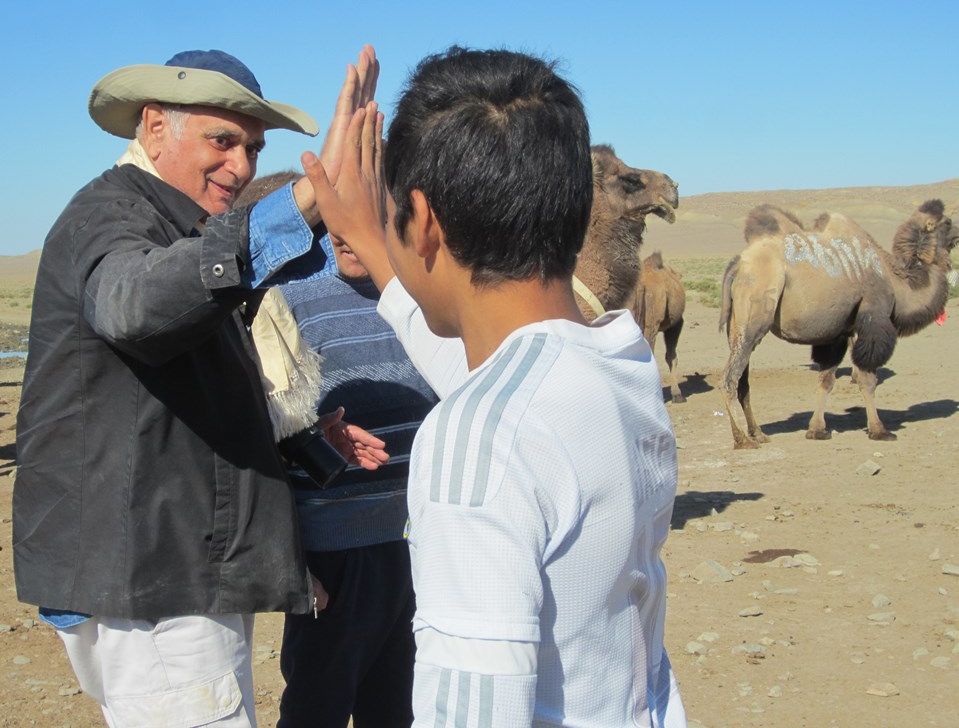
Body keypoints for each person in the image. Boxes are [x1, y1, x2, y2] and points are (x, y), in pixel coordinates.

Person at [304, 47, 687, 726]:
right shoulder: (615, 368)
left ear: (423, 224)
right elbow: (500, 385)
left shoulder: (480, 436)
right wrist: (374, 231)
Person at [14, 46, 385, 727]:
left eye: (252, 148)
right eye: (223, 141)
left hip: (176, 568)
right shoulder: (112, 217)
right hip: (157, 579)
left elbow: (175, 400)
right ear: (155, 126)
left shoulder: (180, 229)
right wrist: (304, 196)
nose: (240, 166)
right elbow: (136, 309)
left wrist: (297, 441)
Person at [237, 174, 437, 727]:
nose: (347, 235)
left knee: (399, 708)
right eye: (337, 220)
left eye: (366, 218)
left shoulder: (428, 307)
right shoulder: (288, 305)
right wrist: (294, 564)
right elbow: (264, 437)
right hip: (333, 553)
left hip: (421, 549)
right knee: (316, 707)